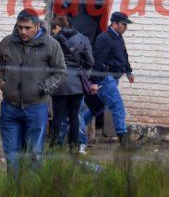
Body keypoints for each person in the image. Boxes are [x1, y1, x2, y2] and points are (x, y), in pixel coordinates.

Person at [0, 8, 66, 171]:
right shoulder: (7, 43)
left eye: (27, 28)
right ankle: (14, 187)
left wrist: (44, 88)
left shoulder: (51, 45)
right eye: (20, 27)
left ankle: (30, 188)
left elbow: (60, 72)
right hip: (10, 107)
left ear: (37, 26)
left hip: (36, 107)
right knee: (11, 154)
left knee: (34, 154)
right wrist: (1, 83)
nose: (23, 31)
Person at [82, 11, 135, 147]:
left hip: (114, 78)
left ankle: (75, 128)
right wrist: (93, 81)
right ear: (114, 23)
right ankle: (124, 141)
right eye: (124, 25)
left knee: (97, 108)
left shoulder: (118, 36)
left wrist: (128, 70)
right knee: (118, 106)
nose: (126, 27)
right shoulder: (104, 38)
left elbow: (124, 54)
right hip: (105, 78)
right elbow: (96, 61)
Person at [49, 15, 93, 151]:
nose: (52, 31)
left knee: (57, 117)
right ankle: (74, 148)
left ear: (57, 27)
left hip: (58, 83)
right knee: (74, 117)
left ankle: (53, 147)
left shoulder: (52, 41)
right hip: (77, 84)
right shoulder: (82, 38)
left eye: (53, 29)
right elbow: (90, 61)